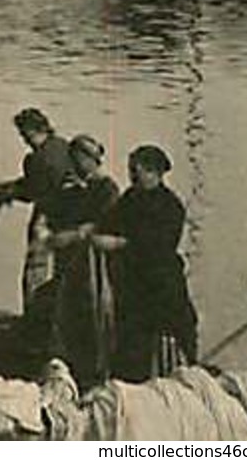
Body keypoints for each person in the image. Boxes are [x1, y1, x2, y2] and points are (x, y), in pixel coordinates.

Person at [92, 144, 200, 382]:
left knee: (168, 342)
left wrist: (119, 244)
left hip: (161, 287)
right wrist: (95, 234)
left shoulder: (170, 206)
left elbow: (157, 246)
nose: (131, 175)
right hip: (132, 287)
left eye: (135, 170)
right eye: (131, 169)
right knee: (130, 344)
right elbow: (108, 223)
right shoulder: (131, 198)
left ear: (154, 172)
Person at [40, 134, 121, 388]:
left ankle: (96, 372)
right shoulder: (68, 188)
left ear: (90, 160)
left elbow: (103, 224)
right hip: (69, 263)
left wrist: (75, 234)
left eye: (79, 159)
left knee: (93, 313)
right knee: (65, 311)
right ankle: (69, 367)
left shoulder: (106, 188)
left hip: (94, 265)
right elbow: (52, 217)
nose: (75, 165)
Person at [0, 107, 73, 315]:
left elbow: (33, 191)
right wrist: (15, 185)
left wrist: (11, 192)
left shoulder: (37, 159)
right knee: (63, 272)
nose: (24, 140)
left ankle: (32, 320)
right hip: (71, 218)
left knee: (35, 269)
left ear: (34, 130)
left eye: (24, 134)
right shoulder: (64, 146)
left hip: (46, 218)